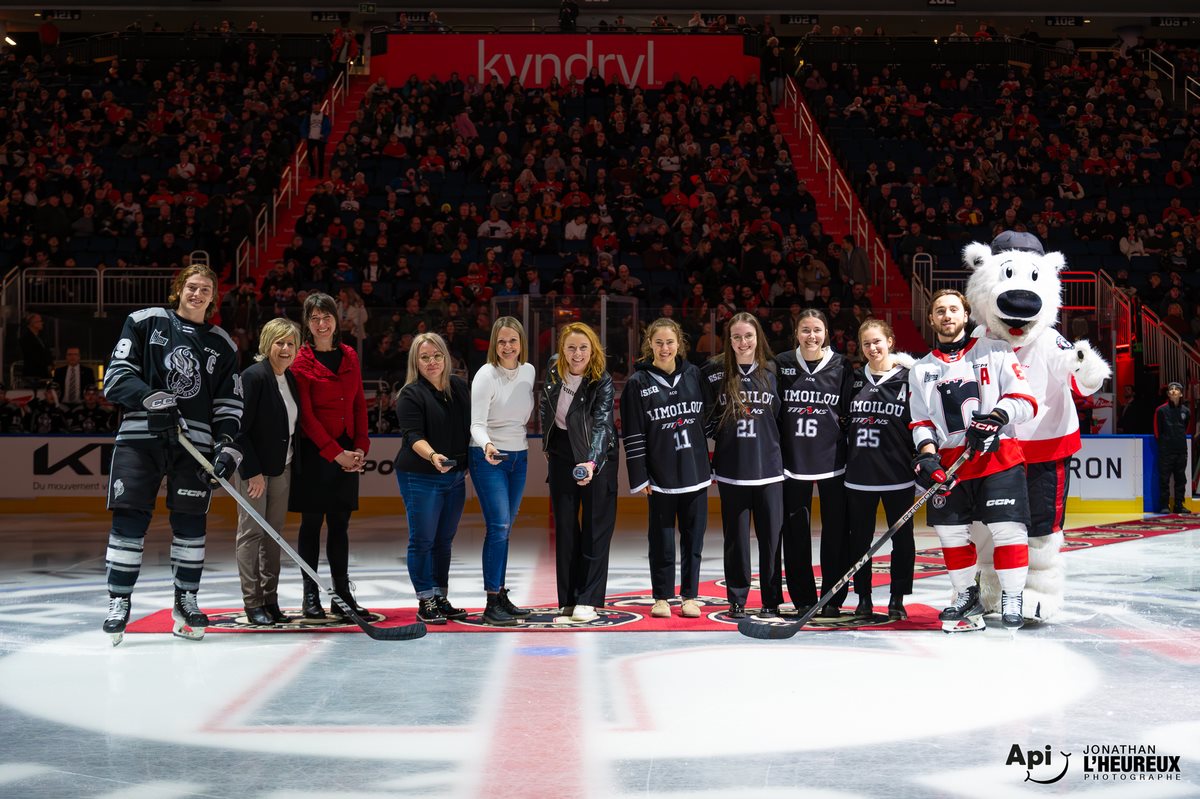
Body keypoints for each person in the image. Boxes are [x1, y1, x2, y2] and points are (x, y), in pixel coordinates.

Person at [101, 262, 244, 644]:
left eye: (206, 290)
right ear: (179, 288)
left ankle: (186, 600)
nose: (197, 294)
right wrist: (151, 399)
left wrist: (227, 444)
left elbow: (229, 404)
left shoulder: (223, 343)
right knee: (129, 521)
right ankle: (119, 601)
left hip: (193, 447)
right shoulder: (145, 321)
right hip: (139, 439)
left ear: (213, 298)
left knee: (190, 526)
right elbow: (115, 377)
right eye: (192, 287)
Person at [908, 289, 1037, 631]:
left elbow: (1025, 402)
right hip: (951, 465)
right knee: (950, 533)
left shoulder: (995, 350)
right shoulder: (920, 370)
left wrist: (996, 416)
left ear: (965, 316)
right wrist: (928, 457)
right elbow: (920, 422)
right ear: (931, 319)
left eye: (953, 309)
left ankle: (1012, 596)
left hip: (998, 456)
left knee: (1007, 529)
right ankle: (966, 594)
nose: (947, 315)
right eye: (939, 311)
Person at [621, 318, 712, 619]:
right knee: (660, 540)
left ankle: (690, 595)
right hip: (659, 477)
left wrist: (710, 465)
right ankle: (661, 596)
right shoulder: (638, 383)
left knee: (693, 539)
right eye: (658, 342)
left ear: (679, 344)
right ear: (650, 344)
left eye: (669, 342)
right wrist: (639, 476)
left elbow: (707, 421)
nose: (664, 348)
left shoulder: (694, 375)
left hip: (695, 472)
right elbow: (633, 432)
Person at [289, 292, 370, 620]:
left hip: (349, 450)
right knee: (311, 524)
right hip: (315, 453)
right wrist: (336, 454)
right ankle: (311, 595)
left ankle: (340, 595)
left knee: (340, 524)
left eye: (327, 317)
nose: (321, 324)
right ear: (307, 323)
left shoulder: (350, 355)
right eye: (315, 318)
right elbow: (306, 417)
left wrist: (361, 447)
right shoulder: (300, 361)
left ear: (337, 320)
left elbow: (359, 404)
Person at [701, 312, 784, 619]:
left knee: (771, 541)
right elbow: (703, 414)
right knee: (735, 541)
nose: (743, 342)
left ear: (757, 337)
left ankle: (772, 600)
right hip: (732, 470)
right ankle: (737, 599)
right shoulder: (714, 370)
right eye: (736, 337)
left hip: (770, 470)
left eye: (748, 336)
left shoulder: (774, 369)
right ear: (729, 340)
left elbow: (784, 417)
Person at [774, 309, 854, 617]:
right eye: (805, 330)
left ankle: (832, 598)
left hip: (834, 461)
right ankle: (803, 598)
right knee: (796, 533)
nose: (811, 336)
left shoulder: (841, 366)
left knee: (836, 532)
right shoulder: (781, 365)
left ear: (826, 333)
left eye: (817, 330)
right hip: (792, 462)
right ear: (796, 333)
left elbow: (849, 412)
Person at [540, 322, 618, 622]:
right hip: (561, 455)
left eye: (583, 347)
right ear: (562, 349)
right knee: (567, 530)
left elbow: (602, 424)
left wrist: (592, 462)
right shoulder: (553, 370)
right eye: (571, 347)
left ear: (593, 350)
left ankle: (589, 599)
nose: (577, 353)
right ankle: (569, 599)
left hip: (597, 458)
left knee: (596, 530)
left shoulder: (602, 380)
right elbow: (546, 407)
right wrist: (548, 443)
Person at [394, 332, 472, 625]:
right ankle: (425, 599)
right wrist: (433, 456)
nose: (431, 362)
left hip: (454, 477)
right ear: (416, 361)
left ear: (445, 357)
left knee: (444, 541)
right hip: (420, 476)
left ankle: (440, 595)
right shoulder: (411, 394)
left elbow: (472, 427)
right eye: (424, 357)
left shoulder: (459, 388)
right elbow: (413, 436)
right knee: (423, 540)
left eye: (437, 355)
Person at [844, 319, 916, 620]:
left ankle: (897, 598)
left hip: (897, 476)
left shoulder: (908, 380)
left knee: (902, 540)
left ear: (890, 341)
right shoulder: (854, 380)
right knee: (859, 541)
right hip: (859, 477)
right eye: (866, 344)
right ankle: (863, 598)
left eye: (877, 341)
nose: (872, 348)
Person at [469, 317, 537, 625]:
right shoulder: (486, 374)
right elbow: (477, 424)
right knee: (497, 527)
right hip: (489, 457)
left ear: (521, 342)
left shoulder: (529, 371)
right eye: (501, 341)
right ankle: (490, 603)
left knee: (505, 528)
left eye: (513, 341)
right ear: (494, 344)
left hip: (518, 457)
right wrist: (487, 446)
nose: (507, 347)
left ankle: (499, 594)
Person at [234, 318, 302, 626]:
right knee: (252, 534)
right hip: (256, 473)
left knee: (273, 537)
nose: (286, 349)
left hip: (281, 469)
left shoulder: (291, 379)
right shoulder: (254, 376)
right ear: (267, 344)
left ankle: (270, 599)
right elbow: (239, 429)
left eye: (291, 343)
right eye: (280, 343)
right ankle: (253, 602)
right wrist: (252, 471)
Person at [1155, 381, 1191, 514]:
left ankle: (1179, 505)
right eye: (1171, 389)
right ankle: (1164, 505)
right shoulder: (1161, 410)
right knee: (1164, 479)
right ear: (1168, 393)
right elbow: (1157, 431)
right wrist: (1164, 445)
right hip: (1166, 450)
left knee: (1181, 478)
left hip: (1181, 450)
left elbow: (1186, 428)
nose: (1174, 391)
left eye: (1177, 389)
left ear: (1181, 394)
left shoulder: (1186, 411)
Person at [19, 313, 54, 389]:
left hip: (42, 374)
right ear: (32, 324)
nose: (42, 323)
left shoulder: (41, 337)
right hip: (32, 375)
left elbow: (46, 352)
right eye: (39, 321)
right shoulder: (26, 339)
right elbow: (33, 356)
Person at [302, 101, 332, 179]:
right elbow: (303, 126)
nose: (315, 107)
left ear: (319, 106)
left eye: (317, 105)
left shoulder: (325, 117)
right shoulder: (308, 117)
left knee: (321, 156)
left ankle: (320, 174)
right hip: (311, 138)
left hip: (321, 139)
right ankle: (313, 172)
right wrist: (305, 135)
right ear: (312, 106)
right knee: (309, 155)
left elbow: (328, 128)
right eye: (314, 105)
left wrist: (324, 135)